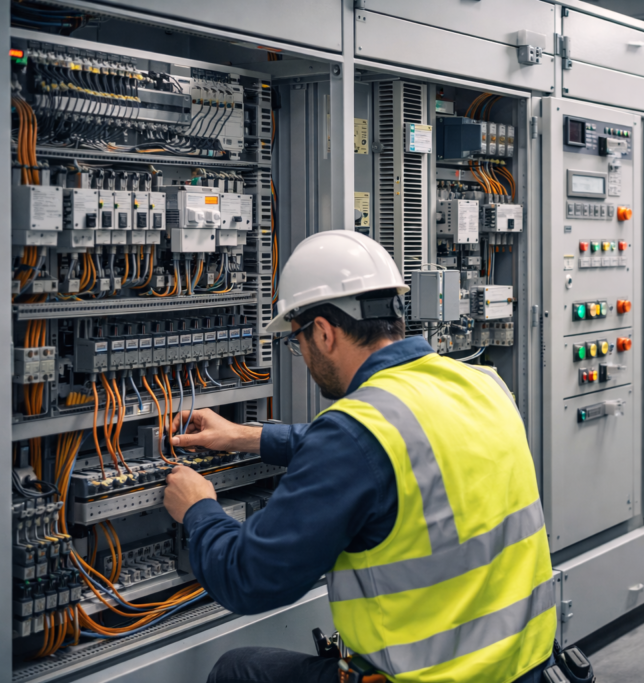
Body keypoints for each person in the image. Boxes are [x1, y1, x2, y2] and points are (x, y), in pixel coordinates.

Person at [163, 230, 556, 683]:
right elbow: (388, 447)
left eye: (297, 342)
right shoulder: (483, 385)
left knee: (237, 670)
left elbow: (247, 579)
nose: (303, 356)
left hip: (430, 676)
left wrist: (198, 509)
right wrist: (245, 436)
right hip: (527, 667)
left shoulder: (355, 433)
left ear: (324, 333)